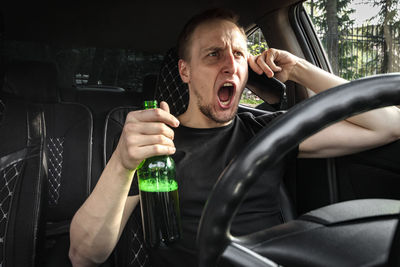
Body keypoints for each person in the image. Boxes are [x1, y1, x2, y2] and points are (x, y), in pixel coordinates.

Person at [69, 8, 400, 267]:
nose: (231, 66)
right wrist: (122, 164)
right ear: (185, 71)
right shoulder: (153, 145)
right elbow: (84, 256)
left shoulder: (268, 132)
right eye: (214, 54)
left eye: (239, 54)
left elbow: (387, 124)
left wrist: (300, 69)